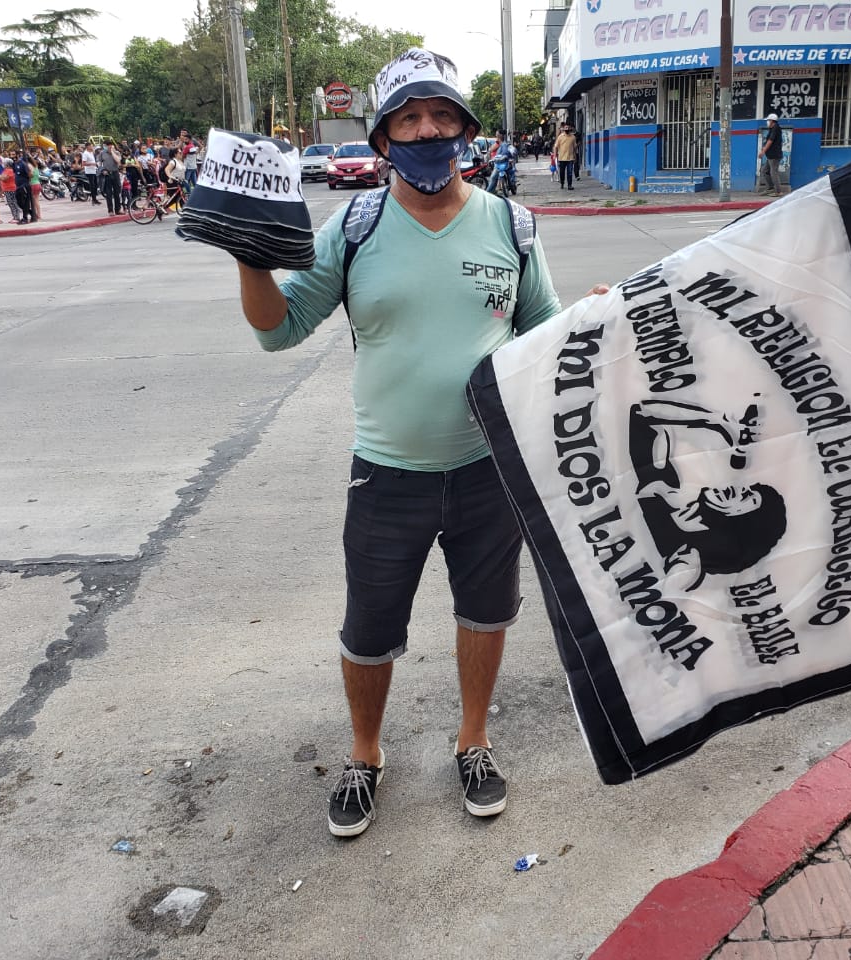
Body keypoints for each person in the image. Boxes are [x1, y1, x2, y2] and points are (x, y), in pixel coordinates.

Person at [234, 48, 564, 839]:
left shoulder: (511, 225)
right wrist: (250, 257)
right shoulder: (352, 227)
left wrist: (593, 320)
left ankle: (474, 741)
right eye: (409, 119)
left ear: (465, 131)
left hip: (489, 471)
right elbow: (279, 330)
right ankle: (365, 753)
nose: (427, 131)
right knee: (370, 627)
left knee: (487, 614)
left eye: (442, 116)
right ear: (383, 138)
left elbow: (543, 335)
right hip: (387, 474)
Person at [758, 113, 784, 197]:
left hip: (774, 156)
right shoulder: (772, 128)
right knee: (764, 171)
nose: (767, 122)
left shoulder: (775, 128)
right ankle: (770, 188)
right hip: (770, 156)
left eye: (768, 121)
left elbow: (770, 141)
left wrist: (763, 151)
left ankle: (778, 191)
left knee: (774, 173)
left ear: (772, 121)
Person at [99, 140, 122, 215]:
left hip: (115, 173)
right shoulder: (102, 153)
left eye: (110, 145)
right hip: (107, 174)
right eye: (106, 145)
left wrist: (112, 152)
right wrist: (102, 170)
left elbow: (118, 161)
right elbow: (99, 163)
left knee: (117, 192)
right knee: (108, 193)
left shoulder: (117, 153)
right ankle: (110, 210)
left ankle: (118, 209)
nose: (108, 147)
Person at [554, 122, 577, 190]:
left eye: (568, 128)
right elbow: (556, 146)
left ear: (570, 128)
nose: (567, 129)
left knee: (569, 172)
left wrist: (575, 156)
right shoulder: (560, 137)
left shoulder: (573, 137)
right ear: (564, 128)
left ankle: (569, 185)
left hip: (570, 158)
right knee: (562, 172)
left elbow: (575, 147)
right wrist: (555, 155)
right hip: (562, 158)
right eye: (566, 128)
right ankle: (562, 183)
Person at [0, 158, 22, 223]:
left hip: (10, 189)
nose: (3, 164)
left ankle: (16, 217)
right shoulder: (6, 170)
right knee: (11, 203)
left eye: (4, 163)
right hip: (7, 189)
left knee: (12, 203)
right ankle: (15, 217)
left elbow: (4, 179)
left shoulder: (9, 170)